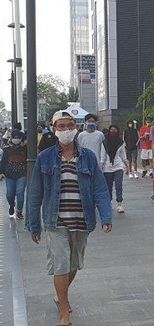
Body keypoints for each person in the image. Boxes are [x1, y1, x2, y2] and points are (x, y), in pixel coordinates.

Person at [27, 110, 112, 326]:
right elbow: (36, 192)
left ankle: (60, 295)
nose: (65, 130)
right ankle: (64, 312)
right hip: (55, 221)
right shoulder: (45, 158)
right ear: (54, 129)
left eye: (69, 126)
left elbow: (100, 189)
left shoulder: (88, 158)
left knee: (73, 264)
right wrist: (34, 224)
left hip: (82, 220)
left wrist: (106, 216)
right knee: (61, 264)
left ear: (76, 128)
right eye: (61, 127)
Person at [100, 125, 129, 213]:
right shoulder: (104, 143)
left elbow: (123, 156)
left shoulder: (121, 142)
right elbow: (102, 156)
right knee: (108, 187)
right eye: (111, 130)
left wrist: (127, 165)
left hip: (118, 166)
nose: (113, 132)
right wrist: (100, 167)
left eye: (115, 130)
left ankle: (119, 204)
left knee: (118, 185)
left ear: (118, 131)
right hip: (107, 168)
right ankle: (108, 203)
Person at [0, 129, 27, 219]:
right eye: (15, 138)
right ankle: (12, 205)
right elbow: (3, 162)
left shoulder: (25, 149)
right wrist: (1, 172)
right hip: (9, 175)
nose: (16, 139)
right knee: (10, 194)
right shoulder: (7, 149)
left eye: (18, 138)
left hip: (22, 174)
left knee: (20, 193)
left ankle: (19, 211)